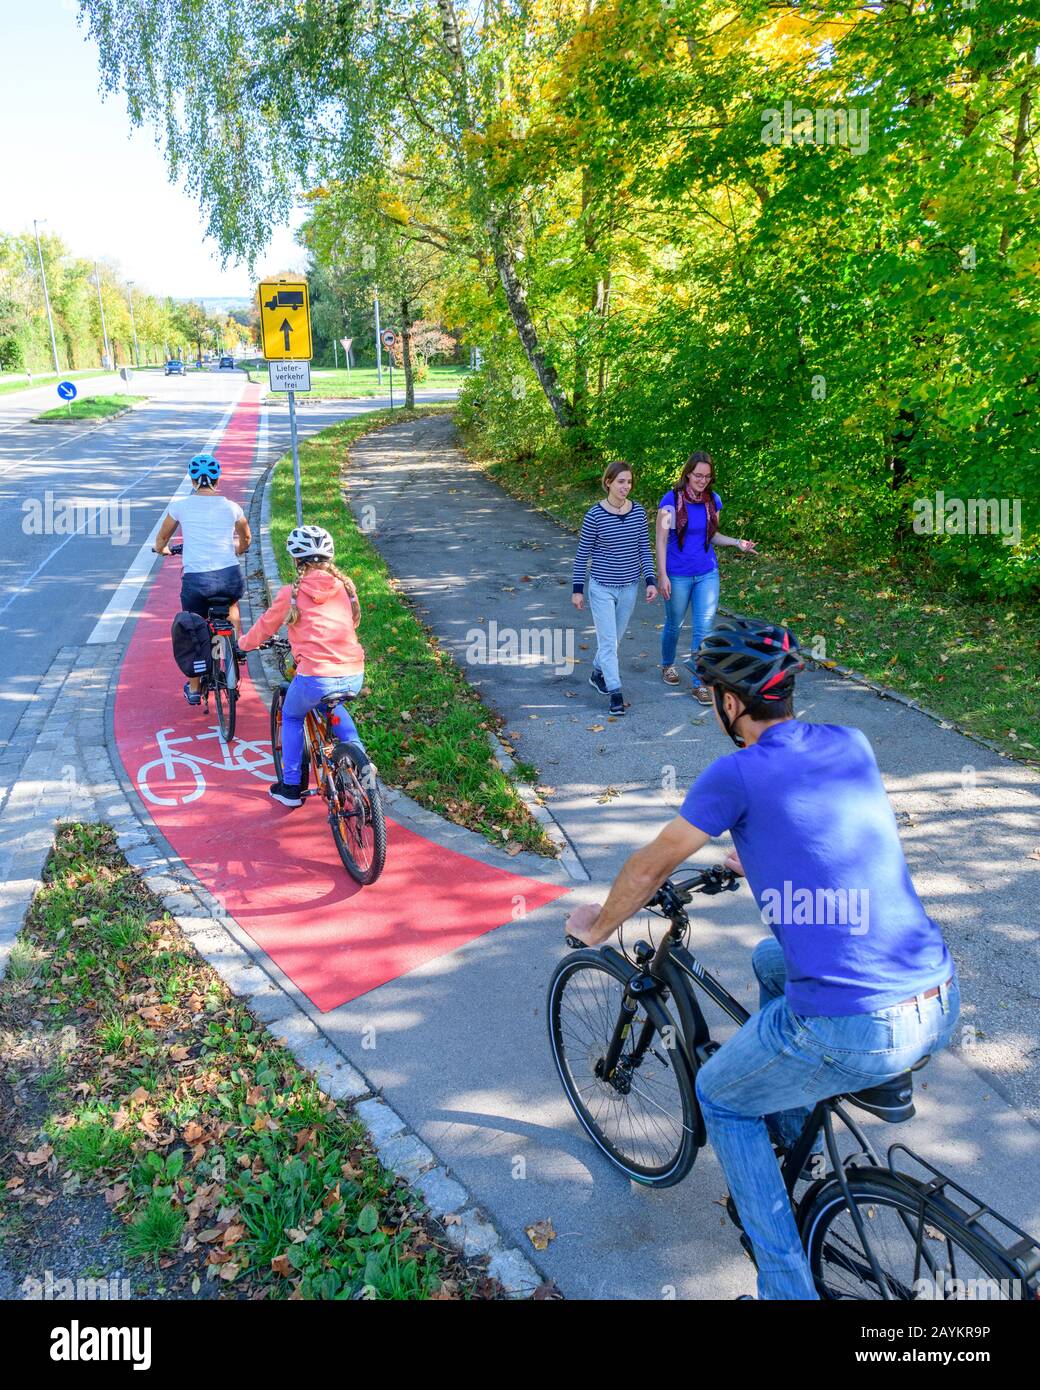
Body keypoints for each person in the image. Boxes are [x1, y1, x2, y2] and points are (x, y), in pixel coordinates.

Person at [564, 616, 958, 1300]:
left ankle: (785, 1287)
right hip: (935, 993)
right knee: (770, 961)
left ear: (732, 703)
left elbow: (651, 864)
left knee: (720, 1097)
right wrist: (764, 855)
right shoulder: (851, 743)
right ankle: (805, 1111)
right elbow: (833, 831)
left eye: (713, 691)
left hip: (856, 1023)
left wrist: (599, 925)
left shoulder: (736, 773)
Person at [238, 525, 369, 808]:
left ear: (297, 560)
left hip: (315, 677)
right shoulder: (344, 588)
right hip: (353, 672)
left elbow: (264, 627)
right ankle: (362, 764)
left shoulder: (292, 594)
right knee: (333, 707)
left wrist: (244, 644)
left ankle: (291, 787)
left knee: (293, 715)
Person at [656, 451, 757, 703]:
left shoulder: (713, 500)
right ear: (688, 473)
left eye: (707, 476)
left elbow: (712, 535)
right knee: (674, 624)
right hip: (677, 573)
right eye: (698, 475)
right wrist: (662, 575)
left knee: (703, 629)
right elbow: (660, 540)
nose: (702, 480)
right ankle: (667, 664)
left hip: (706, 572)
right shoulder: (671, 499)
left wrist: (737, 543)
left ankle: (699, 682)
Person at [153, 453, 251, 705]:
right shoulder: (231, 507)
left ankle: (195, 688)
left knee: (195, 624)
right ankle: (236, 645)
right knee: (231, 605)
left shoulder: (180, 507)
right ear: (217, 480)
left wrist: (163, 550)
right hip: (229, 576)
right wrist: (238, 550)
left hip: (196, 583)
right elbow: (246, 538)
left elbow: (161, 539)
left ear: (193, 480)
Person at [572, 461, 657, 717]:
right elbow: (582, 554)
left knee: (615, 639)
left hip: (629, 587)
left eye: (629, 482)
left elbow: (644, 548)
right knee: (608, 641)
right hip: (601, 588)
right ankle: (615, 692)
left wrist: (650, 580)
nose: (626, 487)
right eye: (621, 481)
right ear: (608, 482)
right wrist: (577, 589)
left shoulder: (638, 512)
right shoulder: (594, 515)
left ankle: (598, 673)